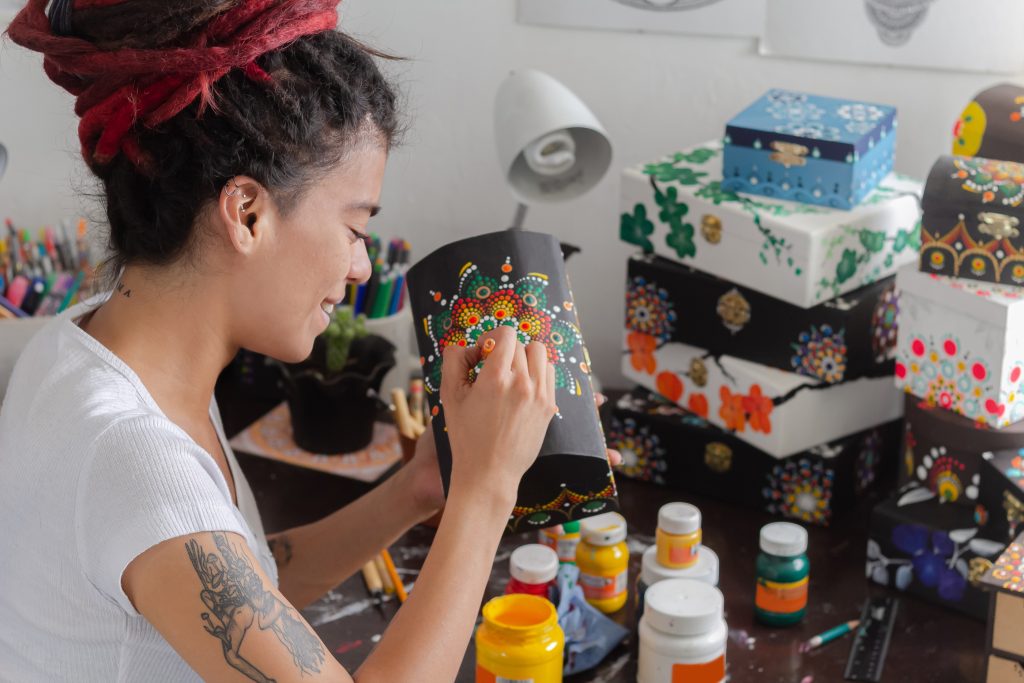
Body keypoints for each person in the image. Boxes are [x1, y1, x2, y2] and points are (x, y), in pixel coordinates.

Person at [0, 1, 618, 681]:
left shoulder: (86, 344)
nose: (363, 268)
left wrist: (422, 488)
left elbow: (246, 588)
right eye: (355, 230)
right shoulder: (134, 459)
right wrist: (484, 493)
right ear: (248, 213)